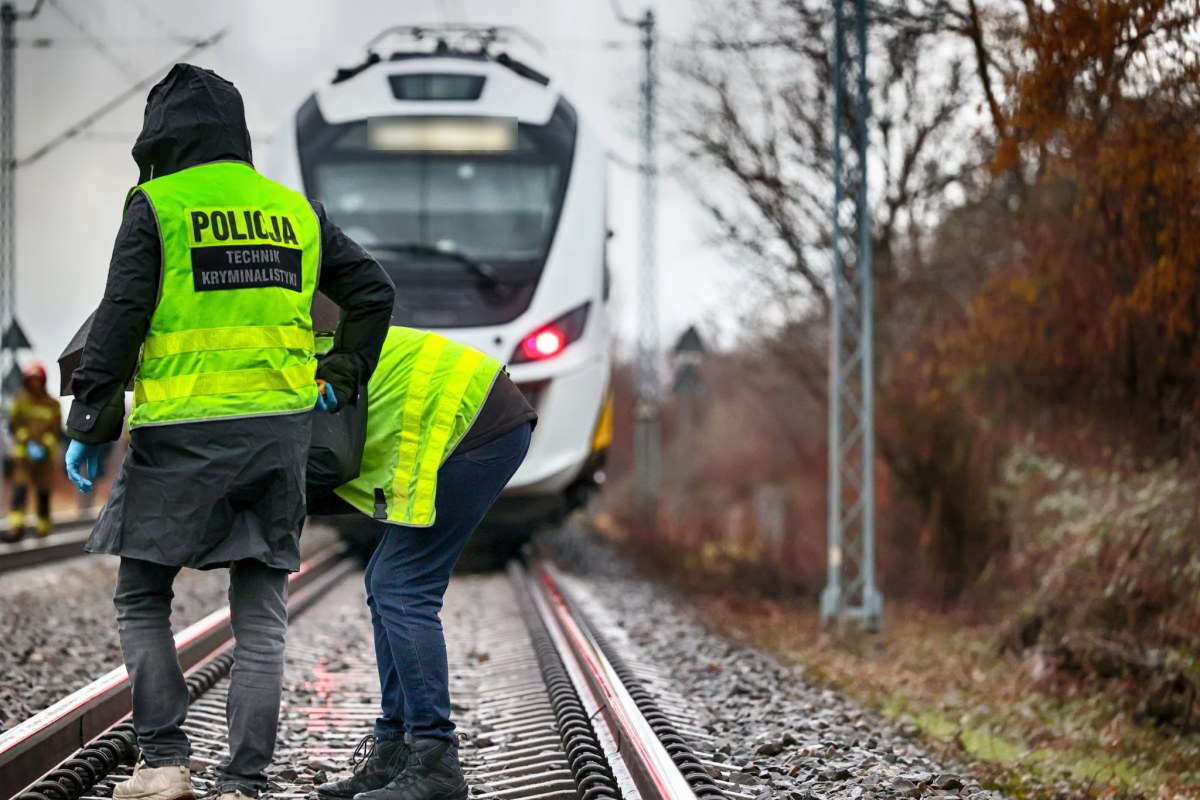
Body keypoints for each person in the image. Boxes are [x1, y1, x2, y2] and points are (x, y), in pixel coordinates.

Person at [63, 64, 394, 800]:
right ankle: (244, 780)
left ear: (161, 138)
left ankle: (165, 763)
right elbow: (374, 289)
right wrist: (340, 374)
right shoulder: (294, 212)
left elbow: (120, 318)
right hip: (278, 435)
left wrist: (91, 421)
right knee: (262, 614)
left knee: (142, 595)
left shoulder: (158, 205)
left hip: (180, 437)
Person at [312, 326, 535, 800]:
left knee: (402, 586)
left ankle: (436, 762)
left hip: (479, 426)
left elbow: (320, 471)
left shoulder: (281, 383)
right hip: (477, 415)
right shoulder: (289, 361)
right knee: (385, 580)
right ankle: (394, 750)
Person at [5, 363, 62, 540]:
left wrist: (45, 444)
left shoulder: (52, 403)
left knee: (43, 492)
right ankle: (16, 527)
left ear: (43, 381)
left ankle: (43, 527)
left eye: (38, 380)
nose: (34, 383)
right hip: (23, 456)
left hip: (45, 456)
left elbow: (56, 428)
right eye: (31, 380)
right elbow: (14, 425)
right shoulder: (20, 400)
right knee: (20, 490)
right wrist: (27, 441)